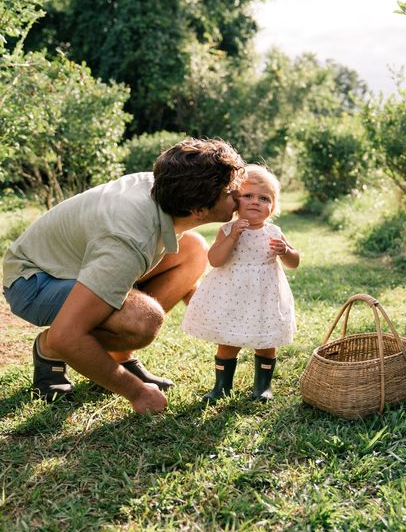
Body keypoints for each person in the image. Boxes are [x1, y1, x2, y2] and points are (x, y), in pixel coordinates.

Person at [2, 138, 245, 415]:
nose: (239, 195)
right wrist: (137, 392)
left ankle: (119, 355)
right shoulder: (128, 238)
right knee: (141, 321)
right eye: (230, 191)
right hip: (33, 281)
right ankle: (49, 347)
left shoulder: (166, 187)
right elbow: (68, 335)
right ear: (198, 210)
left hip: (76, 264)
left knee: (194, 250)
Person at [182, 164, 300, 402]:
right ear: (236, 202)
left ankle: (263, 387)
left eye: (264, 198)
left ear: (273, 207)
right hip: (232, 296)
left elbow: (294, 262)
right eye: (248, 196)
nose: (256, 201)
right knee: (228, 341)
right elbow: (215, 260)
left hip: (264, 296)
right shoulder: (227, 230)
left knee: (266, 342)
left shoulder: (274, 231)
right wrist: (233, 236)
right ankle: (222, 387)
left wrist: (285, 250)